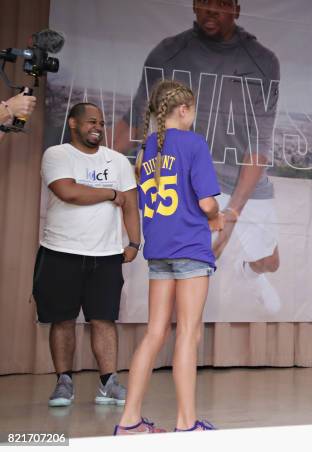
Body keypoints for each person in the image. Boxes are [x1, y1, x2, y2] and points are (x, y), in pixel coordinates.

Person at [114, 0, 282, 313]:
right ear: (193, 7)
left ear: (236, 9)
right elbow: (135, 119)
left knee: (270, 261)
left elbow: (260, 144)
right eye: (204, 3)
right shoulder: (167, 53)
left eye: (220, 4)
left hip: (242, 178)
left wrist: (232, 214)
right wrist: (101, 164)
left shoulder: (262, 61)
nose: (211, 11)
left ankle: (251, 273)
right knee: (194, 266)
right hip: (183, 177)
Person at [114, 80, 223, 434]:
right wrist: (217, 216)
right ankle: (186, 423)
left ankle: (129, 421)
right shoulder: (193, 143)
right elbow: (207, 203)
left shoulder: (147, 149)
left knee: (154, 334)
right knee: (188, 334)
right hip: (190, 248)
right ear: (184, 110)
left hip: (158, 251)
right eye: (193, 110)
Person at [33, 102, 140, 407]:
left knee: (104, 319)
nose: (98, 127)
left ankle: (109, 383)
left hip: (106, 255)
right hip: (60, 251)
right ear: (73, 123)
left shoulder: (118, 161)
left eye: (102, 123)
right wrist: (110, 193)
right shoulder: (57, 155)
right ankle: (64, 382)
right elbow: (69, 191)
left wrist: (134, 243)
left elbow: (131, 204)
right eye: (91, 121)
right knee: (62, 320)